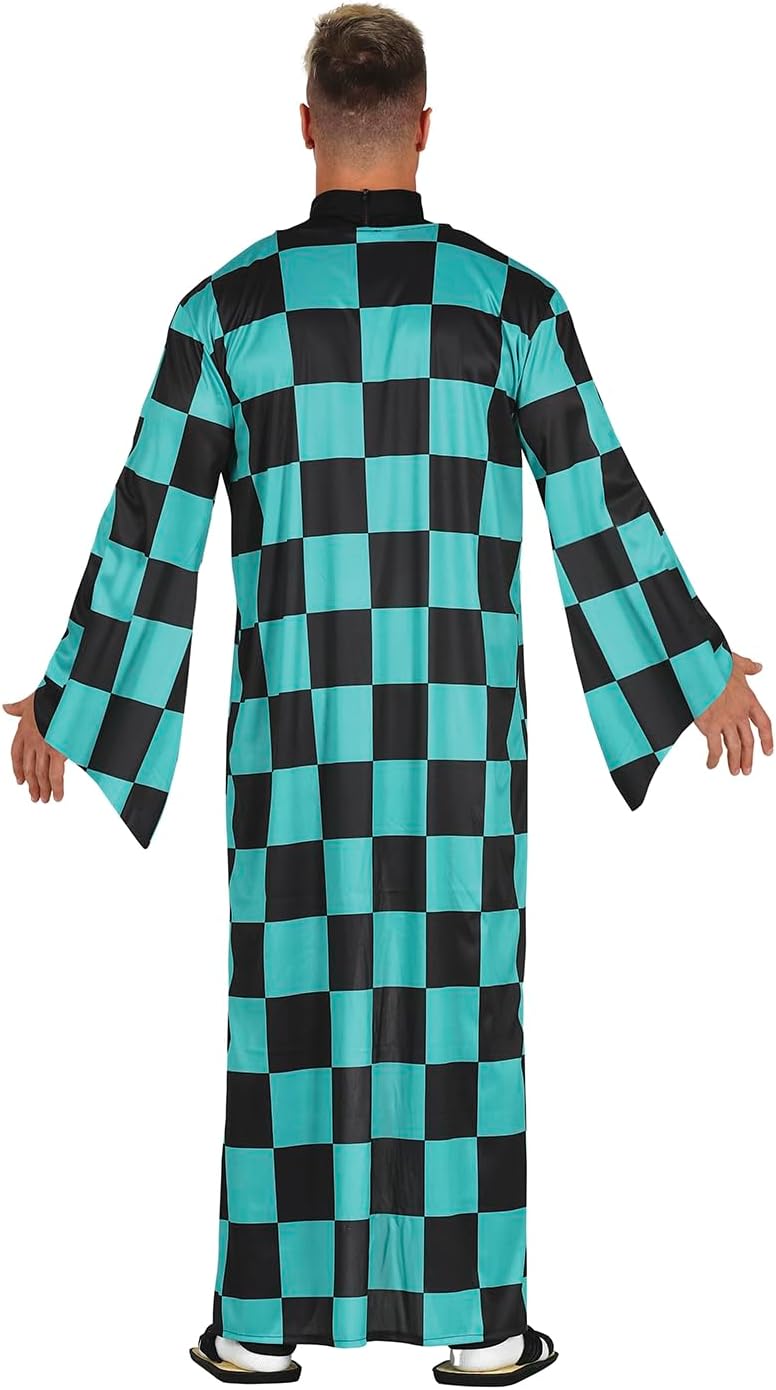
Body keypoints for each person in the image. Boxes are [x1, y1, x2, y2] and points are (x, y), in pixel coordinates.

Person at [4, 3, 772, 1385]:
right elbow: (596, 505)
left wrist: (78, 692)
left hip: (296, 745)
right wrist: (693, 661)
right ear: (425, 125)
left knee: (286, 1009)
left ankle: (259, 1325)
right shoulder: (512, 305)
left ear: (305, 124)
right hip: (459, 743)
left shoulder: (226, 311)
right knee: (462, 1003)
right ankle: (481, 1325)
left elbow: (150, 527)